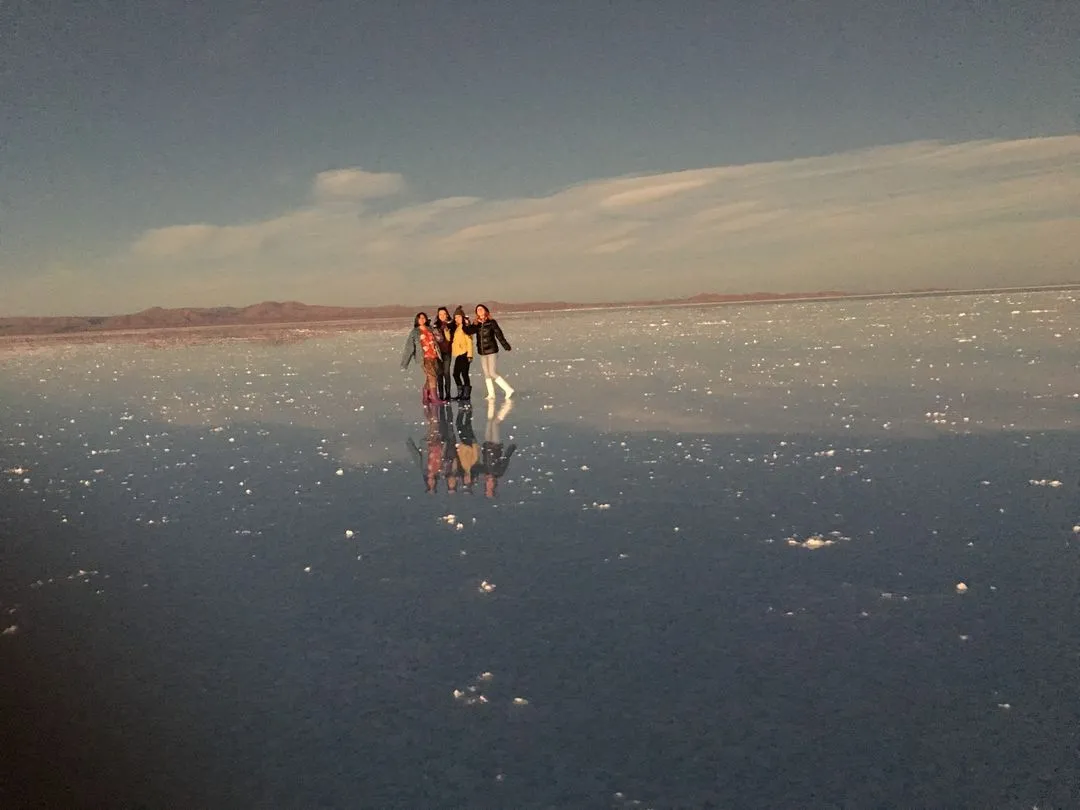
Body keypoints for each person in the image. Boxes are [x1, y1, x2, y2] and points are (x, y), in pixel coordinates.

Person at [465, 303, 514, 400]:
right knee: (486, 373)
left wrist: (505, 345)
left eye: (481, 309)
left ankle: (508, 389)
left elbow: (499, 334)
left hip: (492, 350)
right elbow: (469, 331)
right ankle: (491, 394)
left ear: (485, 311)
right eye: (478, 310)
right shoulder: (476, 324)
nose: (479, 311)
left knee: (492, 372)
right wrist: (466, 323)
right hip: (482, 351)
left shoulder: (491, 322)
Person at [400, 312, 441, 405]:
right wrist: (405, 362)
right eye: (420, 318)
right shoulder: (415, 332)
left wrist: (438, 334)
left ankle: (426, 396)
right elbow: (409, 347)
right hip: (424, 358)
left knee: (430, 377)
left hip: (434, 356)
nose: (422, 319)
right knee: (432, 376)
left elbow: (439, 339)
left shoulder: (430, 329)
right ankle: (434, 398)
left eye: (423, 318)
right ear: (417, 320)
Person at [449, 306, 474, 401]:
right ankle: (461, 392)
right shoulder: (457, 327)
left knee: (464, 374)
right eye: (455, 317)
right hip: (459, 354)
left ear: (462, 317)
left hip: (465, 353)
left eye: (459, 317)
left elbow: (469, 341)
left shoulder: (465, 327)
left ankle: (466, 394)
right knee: (455, 374)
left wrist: (470, 355)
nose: (457, 319)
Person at [432, 307, 454, 403]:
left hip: (447, 352)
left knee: (446, 373)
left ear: (447, 314)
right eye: (440, 314)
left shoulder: (451, 325)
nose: (442, 316)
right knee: (439, 374)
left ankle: (448, 395)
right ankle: (440, 395)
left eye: (444, 314)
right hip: (438, 353)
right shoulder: (435, 326)